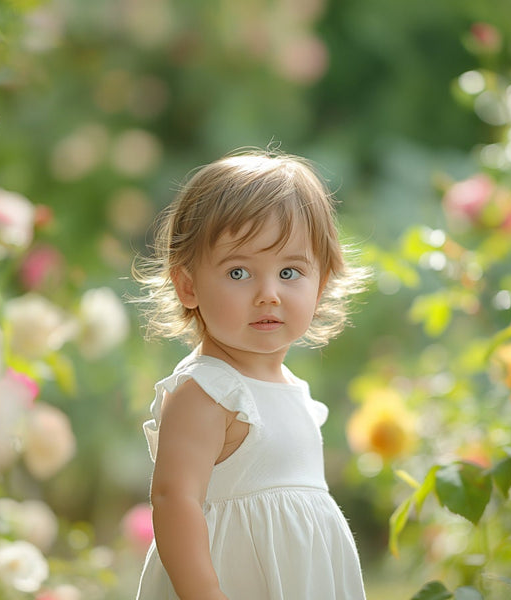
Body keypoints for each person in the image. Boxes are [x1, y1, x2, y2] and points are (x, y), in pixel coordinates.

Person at [132, 149, 369, 599]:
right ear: (188, 285)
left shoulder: (294, 391)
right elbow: (173, 499)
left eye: (289, 272)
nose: (269, 294)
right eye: (239, 272)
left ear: (322, 283)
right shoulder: (209, 391)